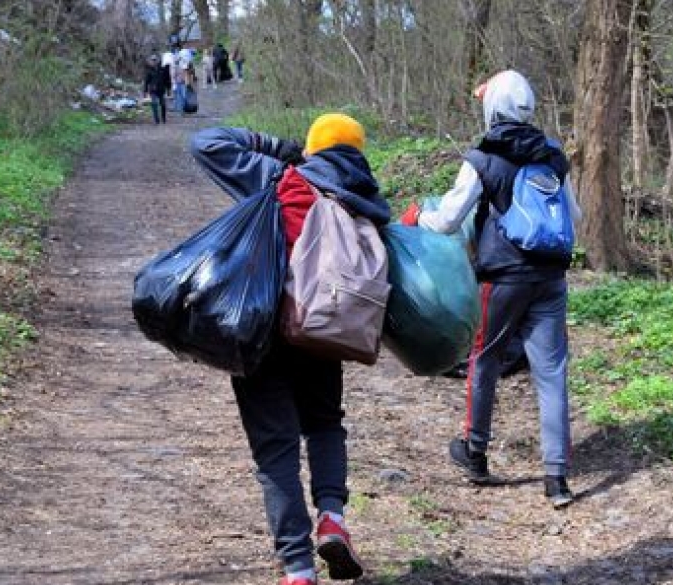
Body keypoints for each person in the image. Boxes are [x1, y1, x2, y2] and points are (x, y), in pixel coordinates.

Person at [190, 114, 388, 585]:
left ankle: (298, 568)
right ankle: (333, 517)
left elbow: (206, 142)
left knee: (275, 449)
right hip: (326, 333)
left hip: (265, 331)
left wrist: (278, 147)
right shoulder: (370, 202)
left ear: (313, 148)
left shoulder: (280, 178)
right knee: (323, 424)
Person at [401, 70, 580, 508]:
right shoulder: (553, 154)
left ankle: (475, 452)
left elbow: (446, 220)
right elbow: (576, 216)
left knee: (485, 359)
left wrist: (414, 219)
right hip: (550, 278)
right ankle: (556, 478)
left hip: (501, 277)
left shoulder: (484, 155)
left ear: (492, 107)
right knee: (552, 373)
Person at [142, 54, 169, 124]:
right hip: (153, 90)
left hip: (161, 89)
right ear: (151, 61)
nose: (154, 61)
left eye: (155, 60)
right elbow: (146, 81)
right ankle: (156, 120)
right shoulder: (149, 70)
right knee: (154, 103)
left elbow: (167, 80)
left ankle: (163, 118)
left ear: (158, 61)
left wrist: (168, 89)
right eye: (152, 60)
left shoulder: (163, 69)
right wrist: (144, 92)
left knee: (163, 104)